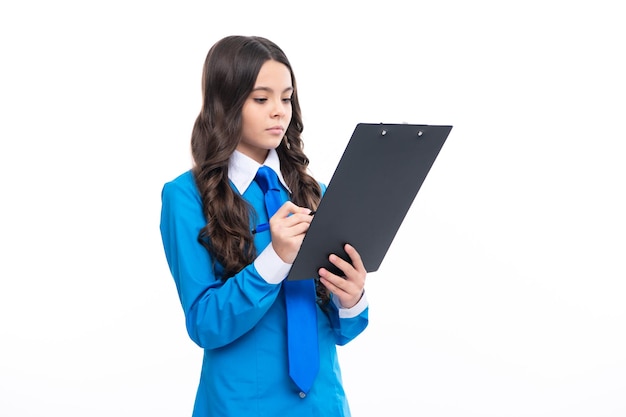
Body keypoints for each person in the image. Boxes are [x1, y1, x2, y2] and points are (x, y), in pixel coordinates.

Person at [159, 35, 369, 417]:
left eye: (286, 98)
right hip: (239, 405)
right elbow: (205, 324)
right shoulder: (185, 197)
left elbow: (343, 332)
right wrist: (274, 259)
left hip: (324, 405)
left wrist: (351, 298)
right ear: (225, 103)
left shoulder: (314, 191)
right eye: (261, 99)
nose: (279, 111)